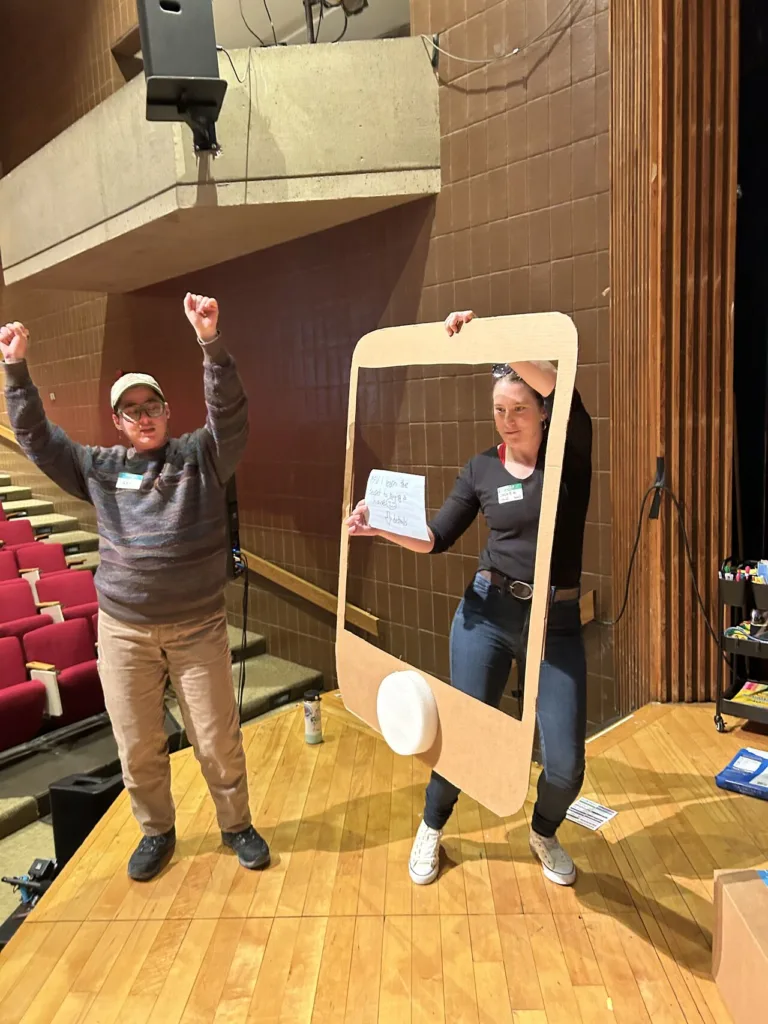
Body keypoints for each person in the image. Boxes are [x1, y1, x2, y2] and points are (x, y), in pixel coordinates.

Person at [0, 295, 270, 882]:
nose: (143, 417)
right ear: (117, 421)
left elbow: (233, 415)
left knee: (216, 739)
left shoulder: (202, 455)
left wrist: (210, 343)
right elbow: (40, 441)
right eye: (130, 411)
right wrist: (16, 373)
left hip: (198, 626)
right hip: (125, 633)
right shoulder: (99, 467)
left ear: (167, 412)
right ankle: (157, 831)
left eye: (152, 406)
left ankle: (236, 824)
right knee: (139, 746)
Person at [346, 309, 592, 887]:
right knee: (461, 735)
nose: (507, 422)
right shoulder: (482, 468)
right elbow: (435, 538)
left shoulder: (568, 456)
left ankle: (543, 829)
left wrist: (491, 336)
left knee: (565, 766)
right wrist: (378, 526)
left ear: (543, 412)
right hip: (487, 613)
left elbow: (567, 385)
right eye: (499, 411)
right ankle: (432, 826)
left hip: (553, 625)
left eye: (519, 410)